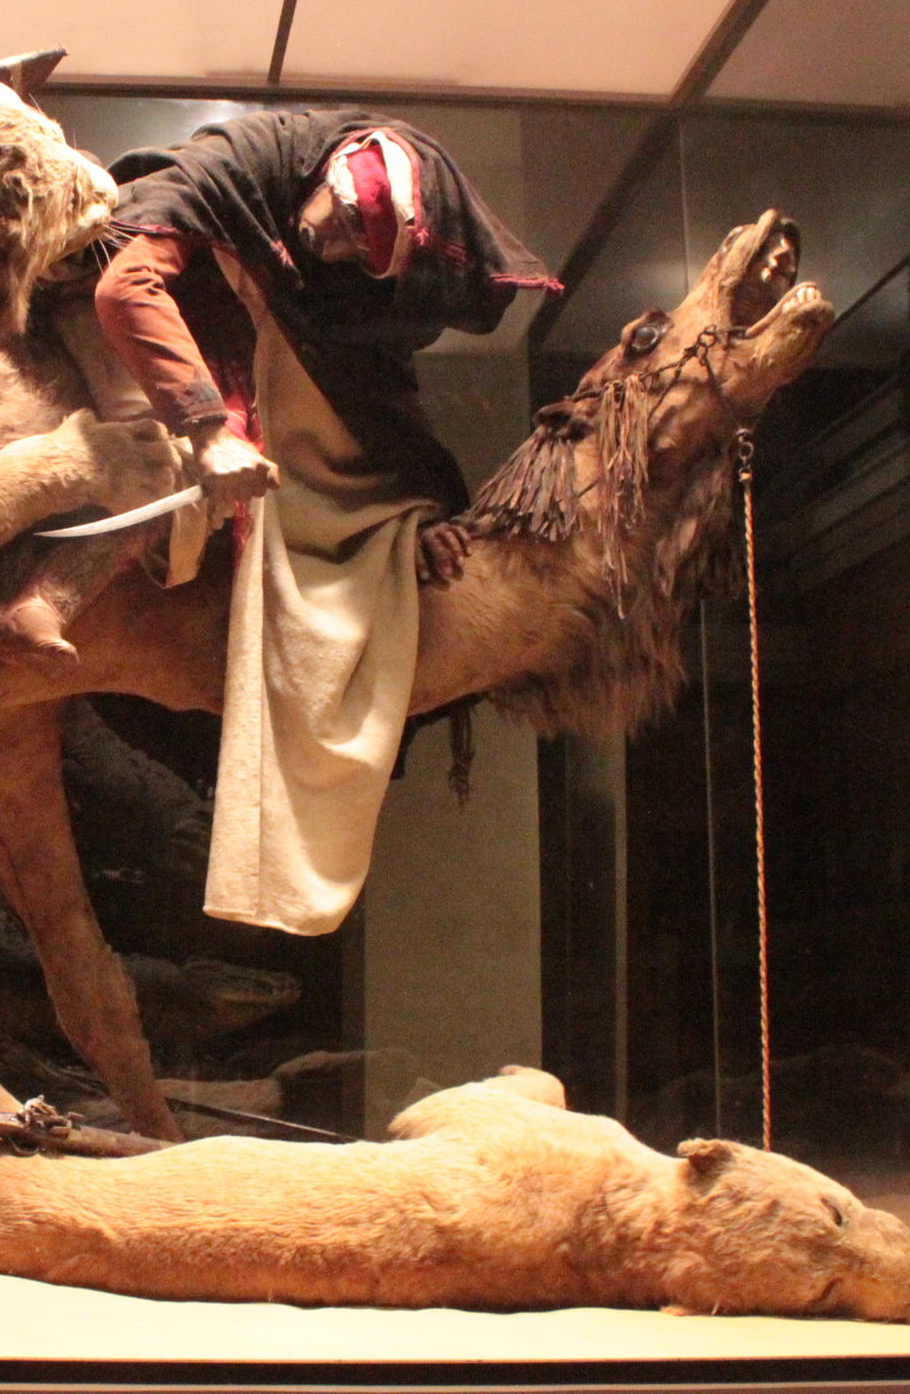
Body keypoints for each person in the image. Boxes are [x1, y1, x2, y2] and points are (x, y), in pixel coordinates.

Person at [64, 109, 553, 934]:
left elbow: (372, 390)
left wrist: (418, 504)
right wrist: (207, 428)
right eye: (327, 231)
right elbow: (126, 285)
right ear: (327, 177)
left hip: (265, 343)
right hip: (153, 316)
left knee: (370, 507)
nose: (328, 253)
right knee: (157, 482)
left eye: (347, 253)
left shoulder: (348, 277)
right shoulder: (239, 164)